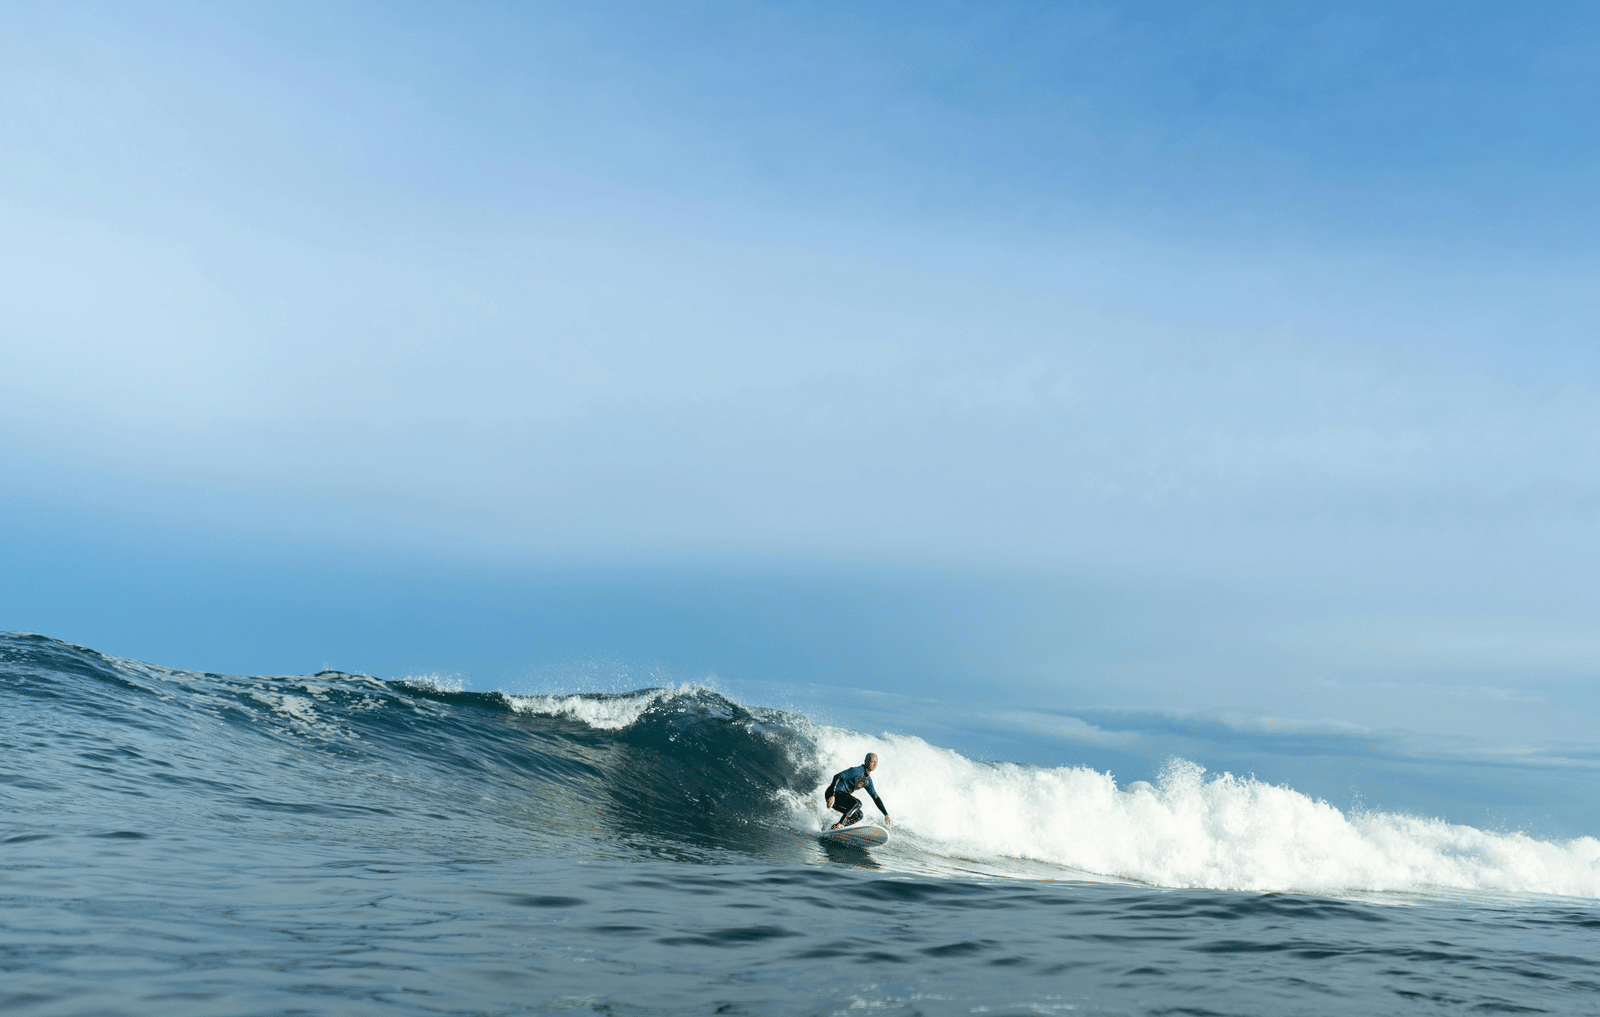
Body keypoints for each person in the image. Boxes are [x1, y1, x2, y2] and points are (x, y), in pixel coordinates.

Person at [825, 752, 891, 830]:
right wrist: (832, 795)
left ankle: (835, 827)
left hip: (840, 799)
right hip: (833, 793)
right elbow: (837, 776)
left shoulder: (868, 781)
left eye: (875, 762)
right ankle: (840, 824)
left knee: (859, 815)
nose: (873, 764)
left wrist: (886, 814)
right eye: (871, 761)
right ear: (865, 761)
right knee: (857, 803)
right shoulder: (857, 771)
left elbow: (875, 797)